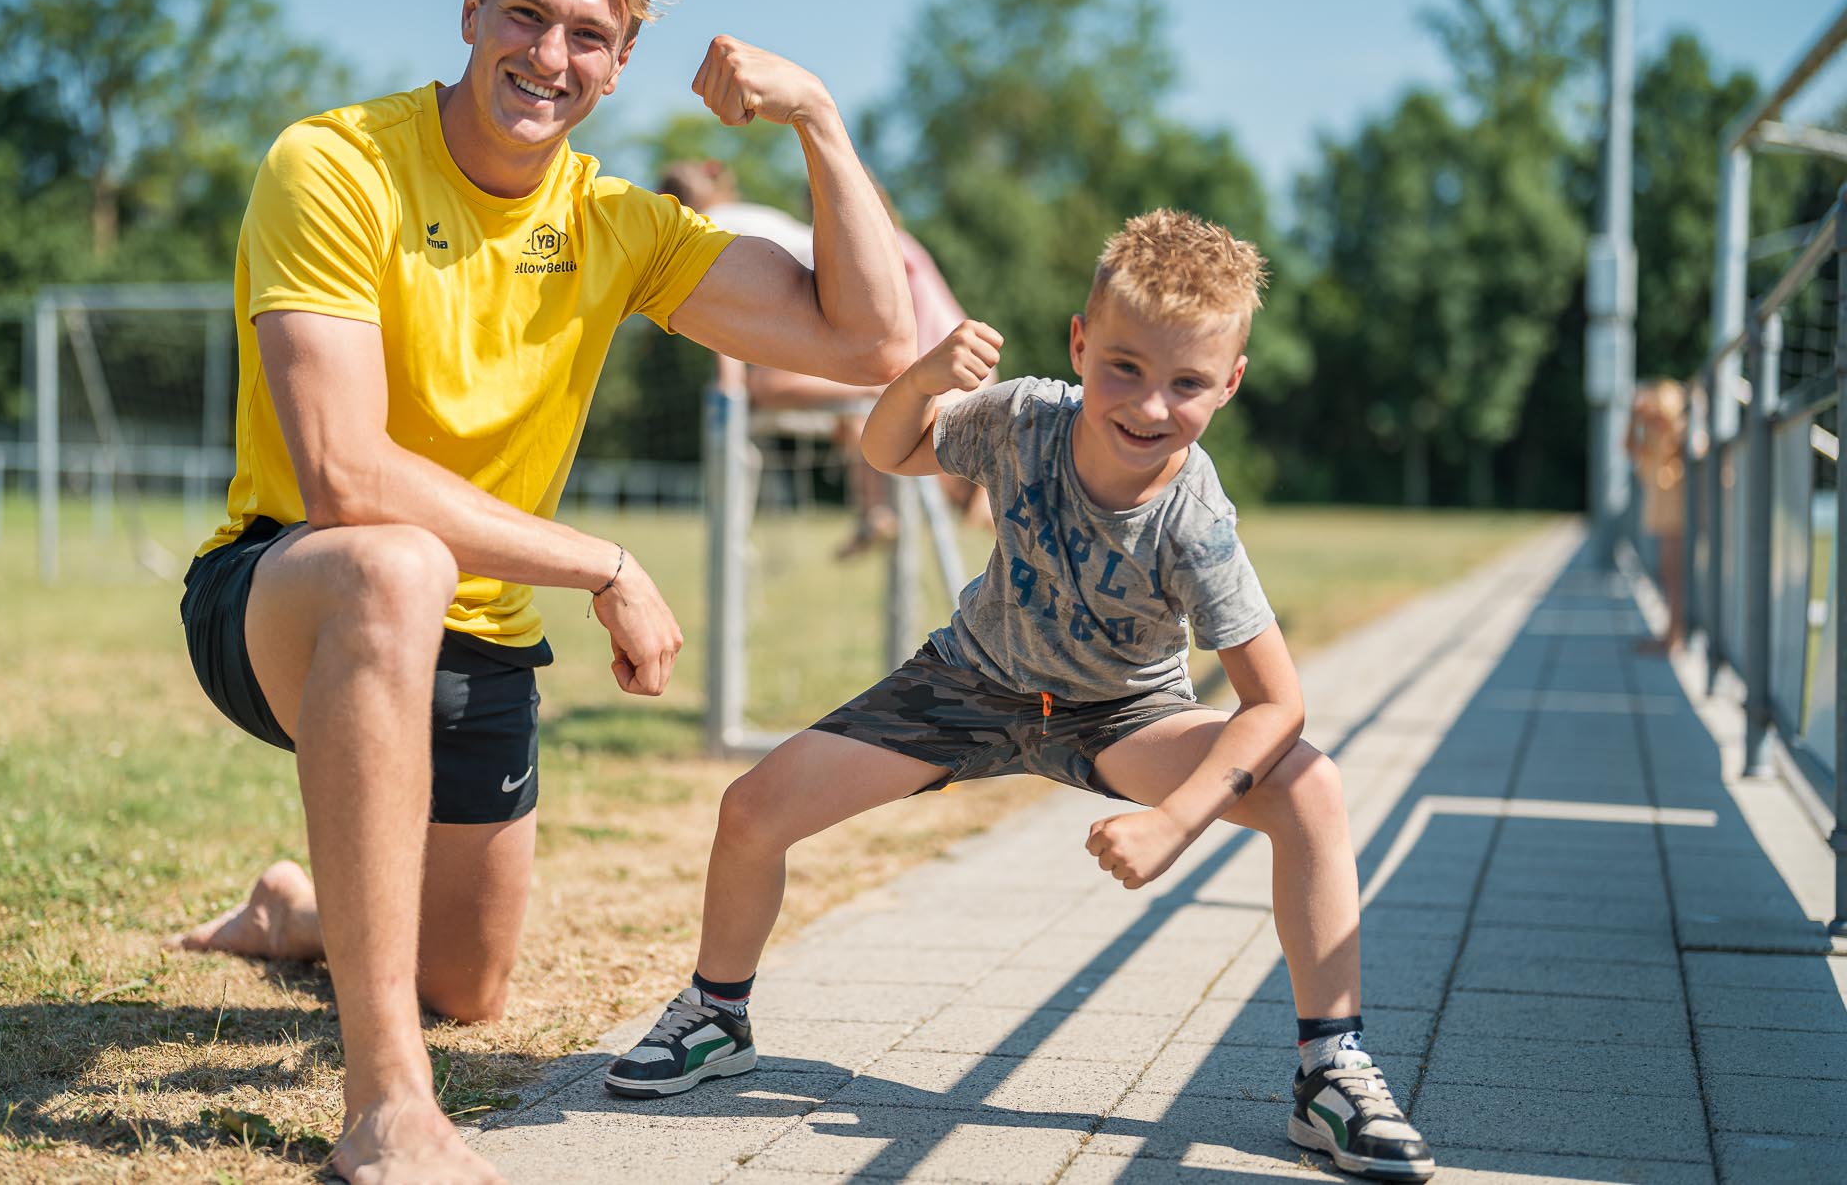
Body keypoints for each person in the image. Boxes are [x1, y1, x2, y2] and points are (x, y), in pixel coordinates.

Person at [168, 0, 912, 1185]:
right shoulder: (333, 164)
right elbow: (345, 472)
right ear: (470, 10)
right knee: (399, 561)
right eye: (527, 15)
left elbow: (870, 343)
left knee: (470, 988)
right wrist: (605, 564)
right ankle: (387, 1107)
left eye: (587, 36)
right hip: (290, 591)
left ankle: (301, 909)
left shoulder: (614, 227)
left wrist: (819, 122)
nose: (549, 55)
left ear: (621, 66)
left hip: (482, 640)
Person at [606, 210, 1436, 1183]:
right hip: (972, 680)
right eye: (1122, 367)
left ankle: (1328, 1071)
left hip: (1122, 714)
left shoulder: (1193, 518)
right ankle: (716, 1015)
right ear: (1079, 344)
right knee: (748, 812)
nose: (1148, 405)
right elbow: (888, 450)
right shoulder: (1023, 415)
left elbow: (1273, 703)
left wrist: (1176, 820)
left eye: (1185, 384)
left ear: (1229, 383)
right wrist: (918, 378)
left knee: (1308, 788)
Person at [660, 159, 989, 551]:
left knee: (768, 386)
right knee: (854, 425)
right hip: (954, 360)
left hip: (928, 362)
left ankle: (920, 481)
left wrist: (730, 393)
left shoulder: (699, 225)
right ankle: (878, 510)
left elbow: (715, 306)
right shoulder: (780, 220)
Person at [1629, 378, 1688, 654]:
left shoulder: (1677, 435)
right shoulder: (1653, 438)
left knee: (1673, 575)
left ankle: (1674, 636)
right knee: (1667, 574)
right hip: (1663, 514)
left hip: (1675, 514)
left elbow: (1676, 428)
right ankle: (1670, 633)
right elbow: (1629, 447)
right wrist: (1634, 416)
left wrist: (1656, 410)